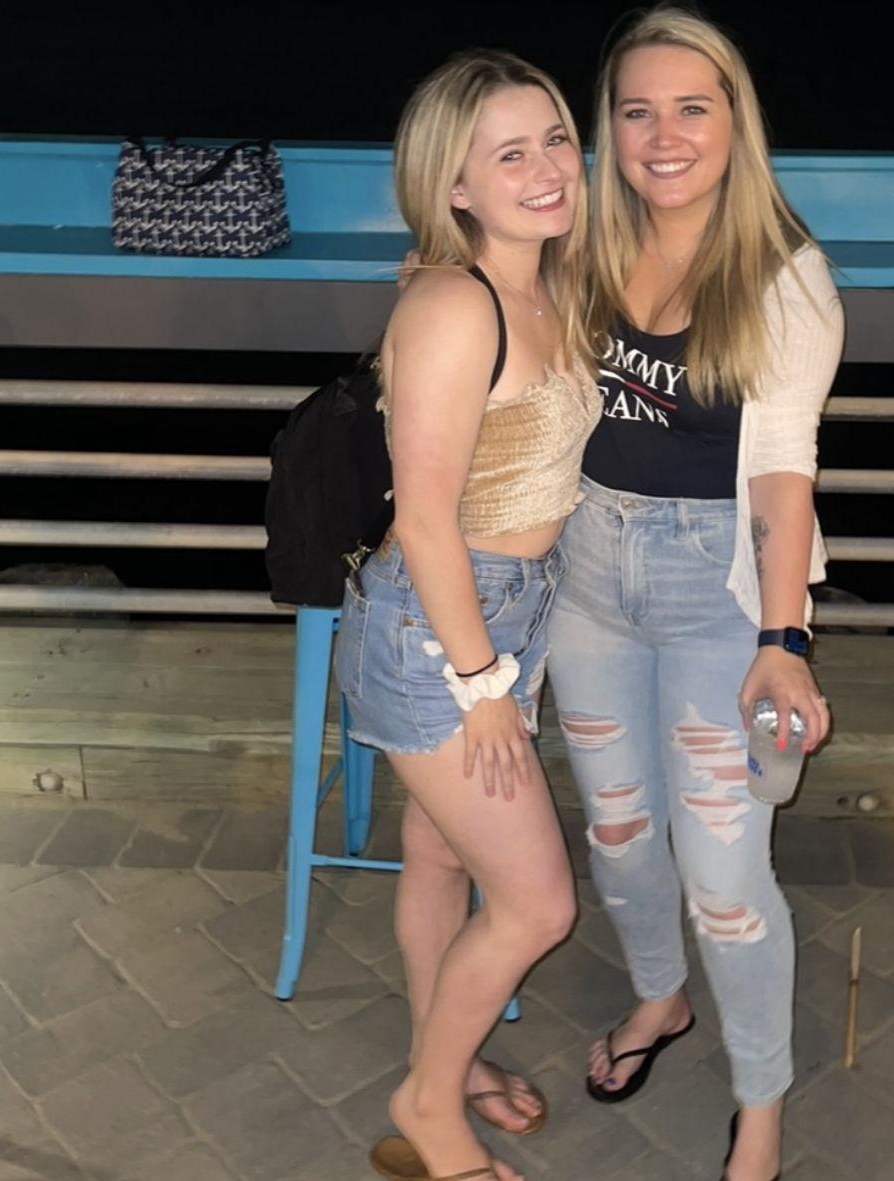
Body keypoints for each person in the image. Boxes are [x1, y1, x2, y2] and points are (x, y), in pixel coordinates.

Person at [545, 9, 844, 1181]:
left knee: (725, 880)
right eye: (637, 112)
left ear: (735, 124)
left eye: (691, 109)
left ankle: (760, 1098)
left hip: (715, 582)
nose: (663, 136)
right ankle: (661, 997)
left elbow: (783, 468)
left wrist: (783, 635)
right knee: (619, 836)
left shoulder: (784, 275)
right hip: (586, 571)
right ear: (608, 129)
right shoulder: (580, 240)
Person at [334, 50, 599, 1181]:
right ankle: (430, 1105)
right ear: (454, 184)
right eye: (509, 154)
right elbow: (428, 519)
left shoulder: (544, 280)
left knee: (442, 852)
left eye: (556, 140)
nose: (547, 169)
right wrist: (484, 686)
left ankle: (447, 1054)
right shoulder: (456, 304)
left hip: (504, 613)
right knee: (537, 905)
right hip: (441, 631)